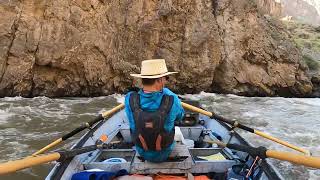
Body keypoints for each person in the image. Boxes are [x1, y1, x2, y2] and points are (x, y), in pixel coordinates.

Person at [124, 59, 185, 162]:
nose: (166, 81)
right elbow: (180, 116)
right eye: (166, 78)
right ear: (159, 80)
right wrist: (167, 92)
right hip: (164, 152)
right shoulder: (172, 98)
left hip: (142, 151)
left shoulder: (129, 99)